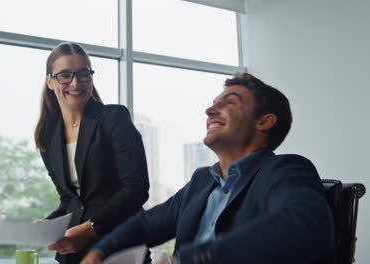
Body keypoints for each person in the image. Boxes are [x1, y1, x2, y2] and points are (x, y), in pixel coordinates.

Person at [81, 73, 334, 264]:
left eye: (230, 102)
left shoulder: (284, 170)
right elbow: (146, 224)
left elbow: (306, 225)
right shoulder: (203, 180)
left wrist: (191, 259)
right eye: (214, 103)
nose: (210, 110)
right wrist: (99, 251)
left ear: (264, 121)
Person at [34, 42, 150, 264]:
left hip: (120, 246)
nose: (76, 83)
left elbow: (136, 188)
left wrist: (91, 228)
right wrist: (49, 224)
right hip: (75, 254)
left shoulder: (113, 118)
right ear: (50, 81)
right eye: (65, 75)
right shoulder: (48, 137)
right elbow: (70, 199)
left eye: (83, 74)